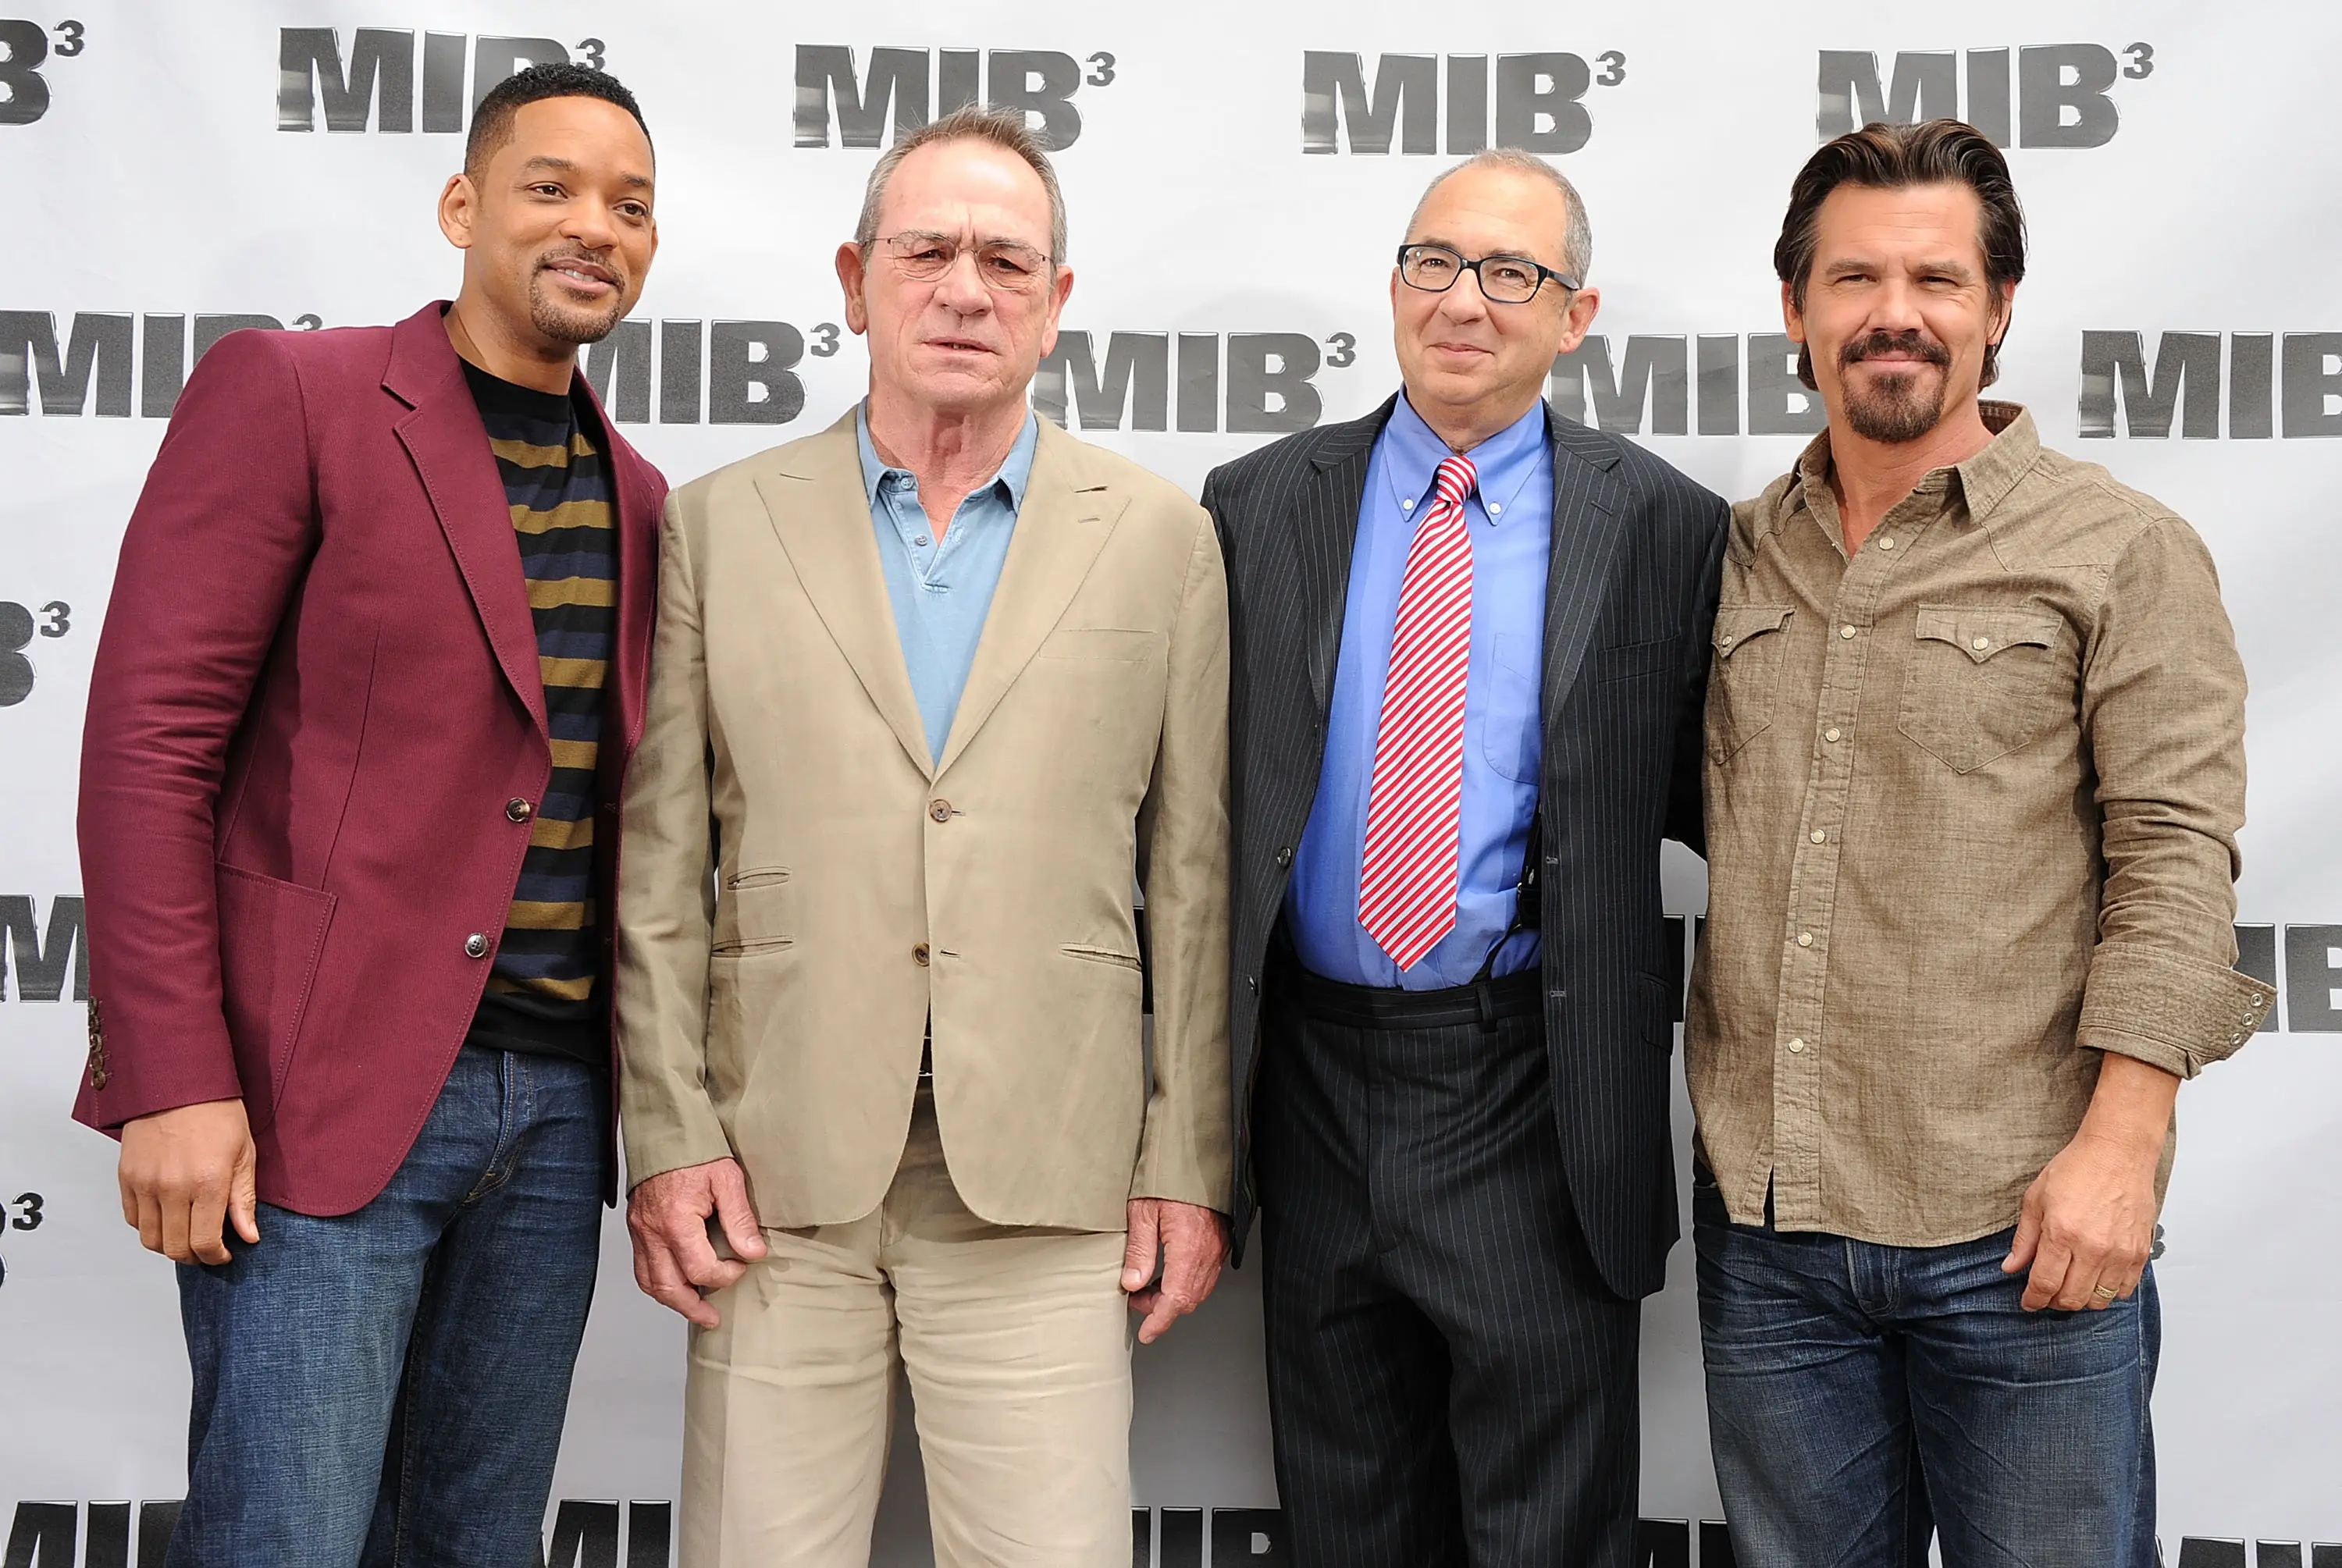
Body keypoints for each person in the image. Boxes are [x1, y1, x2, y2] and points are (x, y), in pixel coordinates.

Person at [616, 105, 1232, 1568]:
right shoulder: (712, 528)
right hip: (771, 1176)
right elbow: (656, 876)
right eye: (931, 250)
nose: (968, 288)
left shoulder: (1161, 537)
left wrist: (1186, 1160)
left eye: (1009, 260)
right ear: (855, 280)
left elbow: (1193, 879)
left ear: (1059, 302)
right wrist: (668, 1134)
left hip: (1051, 1178)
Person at [71, 62, 665, 1567]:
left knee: (474, 1544)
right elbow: (151, 745)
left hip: (552, 1123)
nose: (593, 226)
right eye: (552, 188)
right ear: (463, 206)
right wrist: (171, 1078)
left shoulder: (650, 498)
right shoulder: (299, 395)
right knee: (286, 1540)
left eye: (632, 205)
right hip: (311, 1104)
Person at [1685, 118, 2276, 1566]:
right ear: (1797, 309)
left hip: (2022, 1239)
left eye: (1940, 281)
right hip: (1773, 1242)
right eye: (1856, 279)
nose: (1898, 315)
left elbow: (2178, 860)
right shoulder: (1736, 551)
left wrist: (2123, 1151)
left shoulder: (2119, 549)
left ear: (2000, 309)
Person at [1204, 149, 1728, 1566]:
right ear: (1393, 283)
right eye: (1434, 261)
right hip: (1308, 1080)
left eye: (1514, 274)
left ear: (1579, 313)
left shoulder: (1667, 526)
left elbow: (1713, 797)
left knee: (1546, 1529)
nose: (1465, 301)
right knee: (1345, 1514)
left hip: (1530, 1084)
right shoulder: (1256, 504)